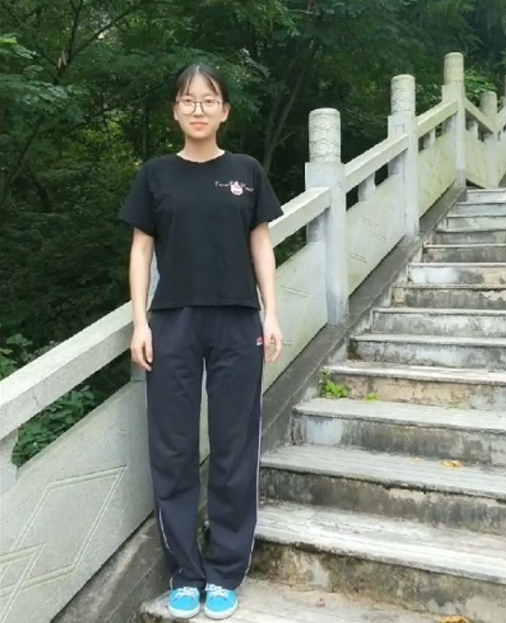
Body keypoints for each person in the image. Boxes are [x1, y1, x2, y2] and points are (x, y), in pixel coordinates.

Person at [118, 63, 283, 620]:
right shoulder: (156, 174)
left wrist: (271, 314)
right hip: (173, 323)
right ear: (175, 110)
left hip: (238, 320)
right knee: (173, 448)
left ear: (224, 111)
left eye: (208, 100)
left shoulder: (246, 171)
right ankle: (186, 572)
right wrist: (140, 322)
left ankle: (226, 570)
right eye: (188, 100)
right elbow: (141, 250)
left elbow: (261, 245)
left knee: (235, 445)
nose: (198, 109)